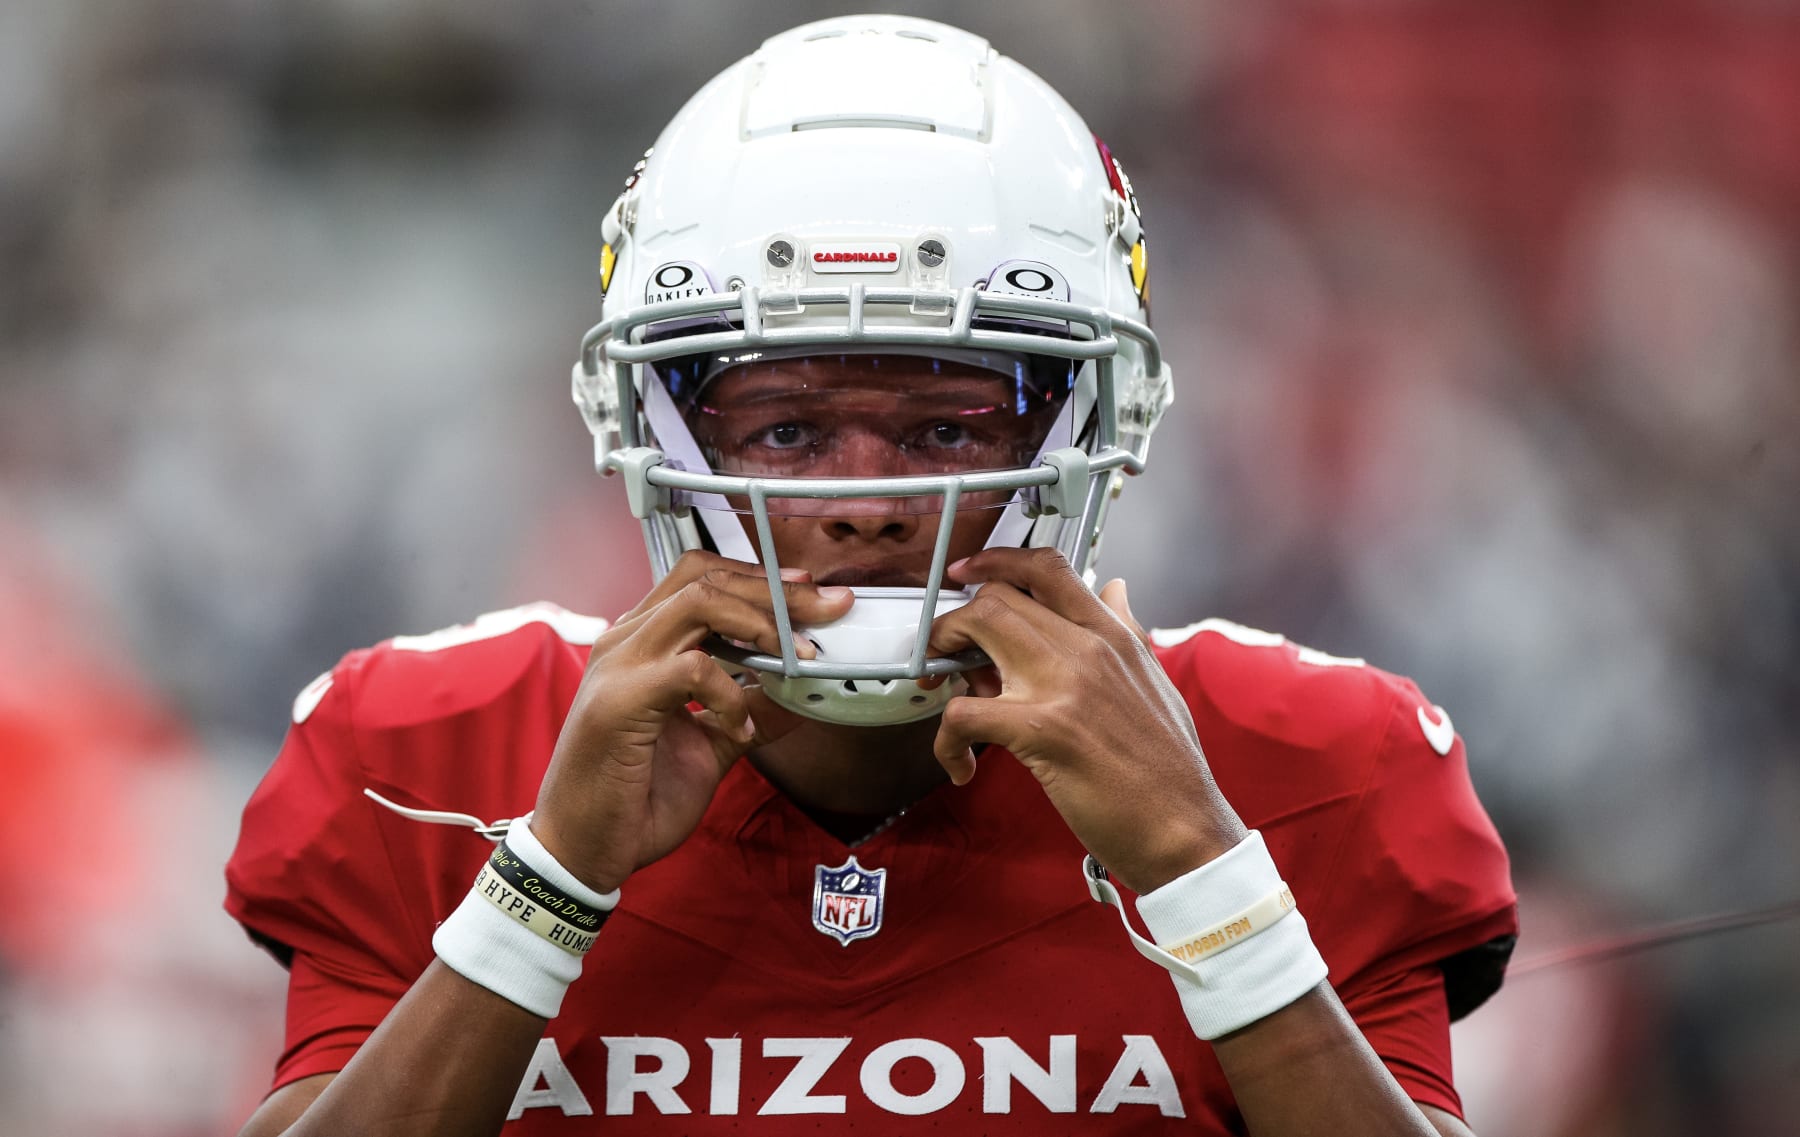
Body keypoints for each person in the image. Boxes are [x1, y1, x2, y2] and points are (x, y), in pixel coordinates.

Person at [225, 15, 1516, 1136]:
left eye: (946, 427)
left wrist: (1199, 870)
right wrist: (548, 883)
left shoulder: (1317, 760)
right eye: (786, 427)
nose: (863, 502)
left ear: (1081, 433)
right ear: (658, 433)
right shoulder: (425, 751)